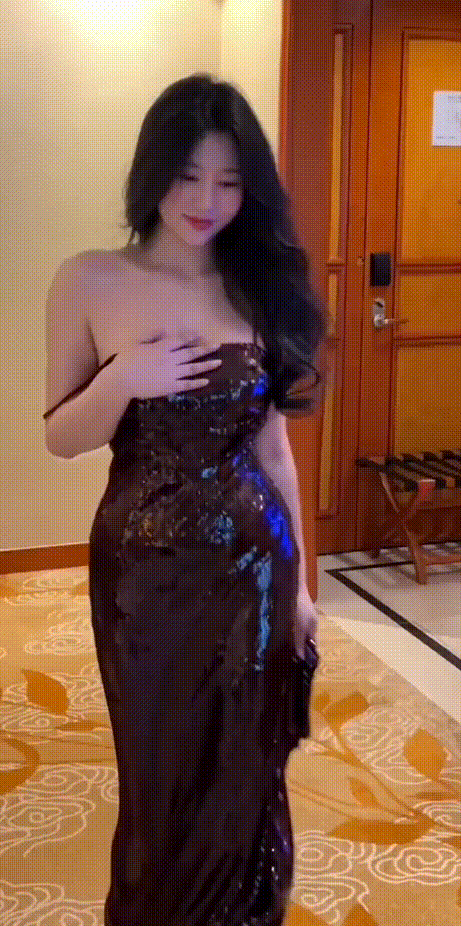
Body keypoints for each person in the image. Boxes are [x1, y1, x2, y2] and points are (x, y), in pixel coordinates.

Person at [43, 75, 330, 926]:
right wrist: (124, 379)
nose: (206, 202)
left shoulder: (255, 286)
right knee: (160, 774)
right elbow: (61, 436)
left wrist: (302, 588)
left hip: (254, 572)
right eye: (187, 175)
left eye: (230, 182)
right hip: (144, 578)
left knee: (245, 770)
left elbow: (274, 452)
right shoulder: (89, 279)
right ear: (152, 171)